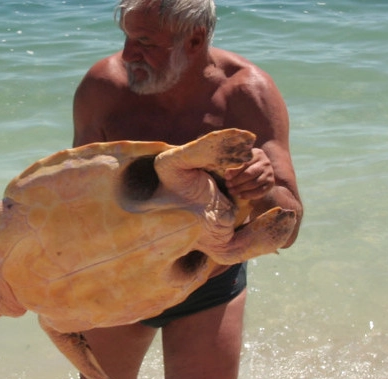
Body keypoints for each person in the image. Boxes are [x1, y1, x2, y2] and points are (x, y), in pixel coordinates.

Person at [72, 0, 303, 378]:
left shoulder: (247, 94)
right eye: (127, 36)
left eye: (145, 42)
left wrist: (261, 188)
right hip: (118, 276)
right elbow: (78, 200)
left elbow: (289, 228)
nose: (129, 53)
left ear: (194, 41)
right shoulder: (104, 88)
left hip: (209, 282)